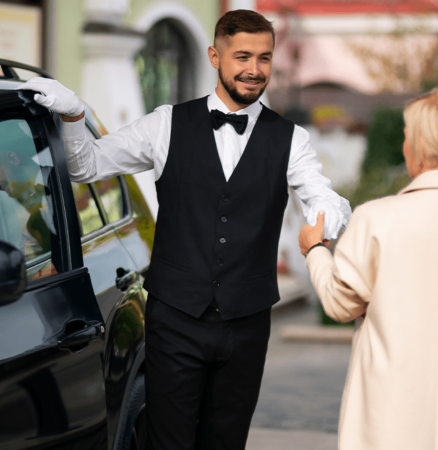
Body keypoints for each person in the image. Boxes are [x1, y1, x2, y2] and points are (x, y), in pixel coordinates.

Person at [19, 10, 351, 450]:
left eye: (265, 58)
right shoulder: (165, 123)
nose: (254, 69)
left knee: (226, 442)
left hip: (246, 324)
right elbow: (86, 165)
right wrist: (75, 114)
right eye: (243, 56)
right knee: (168, 442)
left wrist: (324, 220)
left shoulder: (291, 139)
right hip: (175, 318)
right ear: (215, 56)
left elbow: (325, 196)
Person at [298, 88, 438, 450]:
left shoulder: (378, 219)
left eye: (407, 135)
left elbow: (340, 304)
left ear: (421, 144)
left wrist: (314, 250)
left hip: (394, 415)